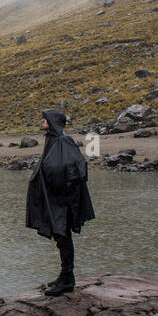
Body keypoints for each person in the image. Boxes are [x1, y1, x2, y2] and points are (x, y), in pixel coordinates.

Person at [25, 109, 95, 295]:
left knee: (63, 237)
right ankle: (65, 276)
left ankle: (67, 279)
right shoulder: (52, 140)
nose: (42, 120)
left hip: (63, 201)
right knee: (60, 238)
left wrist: (64, 185)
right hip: (55, 199)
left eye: (45, 118)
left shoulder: (64, 140)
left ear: (53, 121)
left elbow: (79, 167)